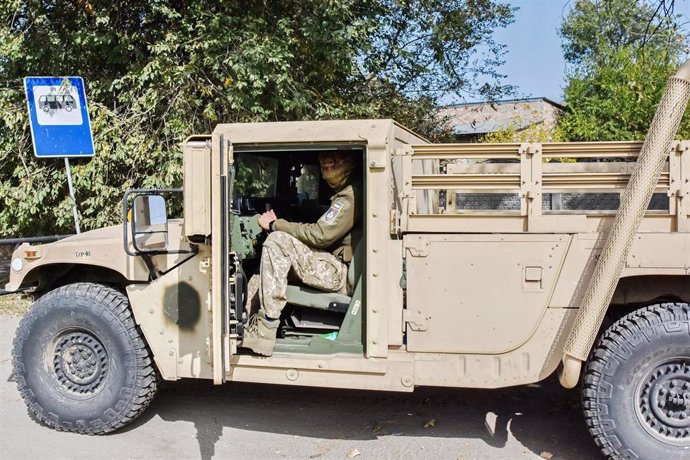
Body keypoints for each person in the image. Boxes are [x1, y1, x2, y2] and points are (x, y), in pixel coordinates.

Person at [241, 151, 361, 356]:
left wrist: (275, 225)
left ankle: (266, 329)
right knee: (263, 273)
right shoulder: (347, 192)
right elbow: (326, 223)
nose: (326, 173)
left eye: (330, 167)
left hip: (340, 274)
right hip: (335, 265)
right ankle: (246, 326)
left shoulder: (349, 195)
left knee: (277, 241)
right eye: (323, 168)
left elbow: (321, 235)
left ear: (345, 165)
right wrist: (300, 210)